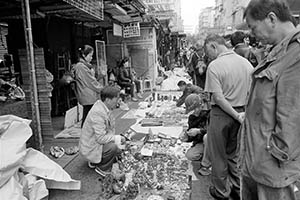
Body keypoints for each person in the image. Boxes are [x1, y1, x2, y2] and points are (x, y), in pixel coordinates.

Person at [241, 0, 300, 199]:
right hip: (259, 164)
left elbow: (292, 119)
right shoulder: (278, 52)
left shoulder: (296, 55)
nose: (251, 34)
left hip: (273, 171)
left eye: (253, 27)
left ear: (271, 19)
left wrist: (275, 157)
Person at [204, 34, 253, 200]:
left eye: (208, 51)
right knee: (234, 154)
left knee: (218, 155)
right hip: (242, 112)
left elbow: (218, 98)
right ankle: (238, 189)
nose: (208, 55)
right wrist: (240, 115)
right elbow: (252, 92)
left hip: (222, 114)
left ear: (213, 46)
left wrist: (234, 114)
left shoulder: (215, 66)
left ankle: (221, 192)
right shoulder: (246, 63)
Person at [79, 86, 126, 177]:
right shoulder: (98, 112)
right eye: (116, 98)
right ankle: (102, 168)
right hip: (91, 146)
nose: (118, 100)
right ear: (108, 100)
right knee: (113, 147)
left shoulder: (104, 106)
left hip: (95, 141)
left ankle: (96, 161)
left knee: (118, 146)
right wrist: (118, 139)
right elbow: (100, 139)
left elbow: (110, 129)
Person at [180, 93, 211, 176]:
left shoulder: (210, 114)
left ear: (201, 105)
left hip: (214, 142)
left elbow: (214, 131)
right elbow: (192, 136)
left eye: (194, 109)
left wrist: (199, 131)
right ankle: (209, 156)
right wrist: (187, 137)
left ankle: (205, 165)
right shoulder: (192, 117)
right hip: (201, 143)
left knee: (206, 137)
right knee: (190, 155)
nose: (193, 112)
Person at [72, 45, 103, 127]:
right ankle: (86, 134)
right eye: (90, 55)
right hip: (87, 94)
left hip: (88, 94)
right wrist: (101, 88)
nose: (91, 57)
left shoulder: (84, 65)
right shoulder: (81, 66)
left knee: (88, 115)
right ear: (84, 55)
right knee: (88, 116)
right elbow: (90, 81)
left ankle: (87, 133)